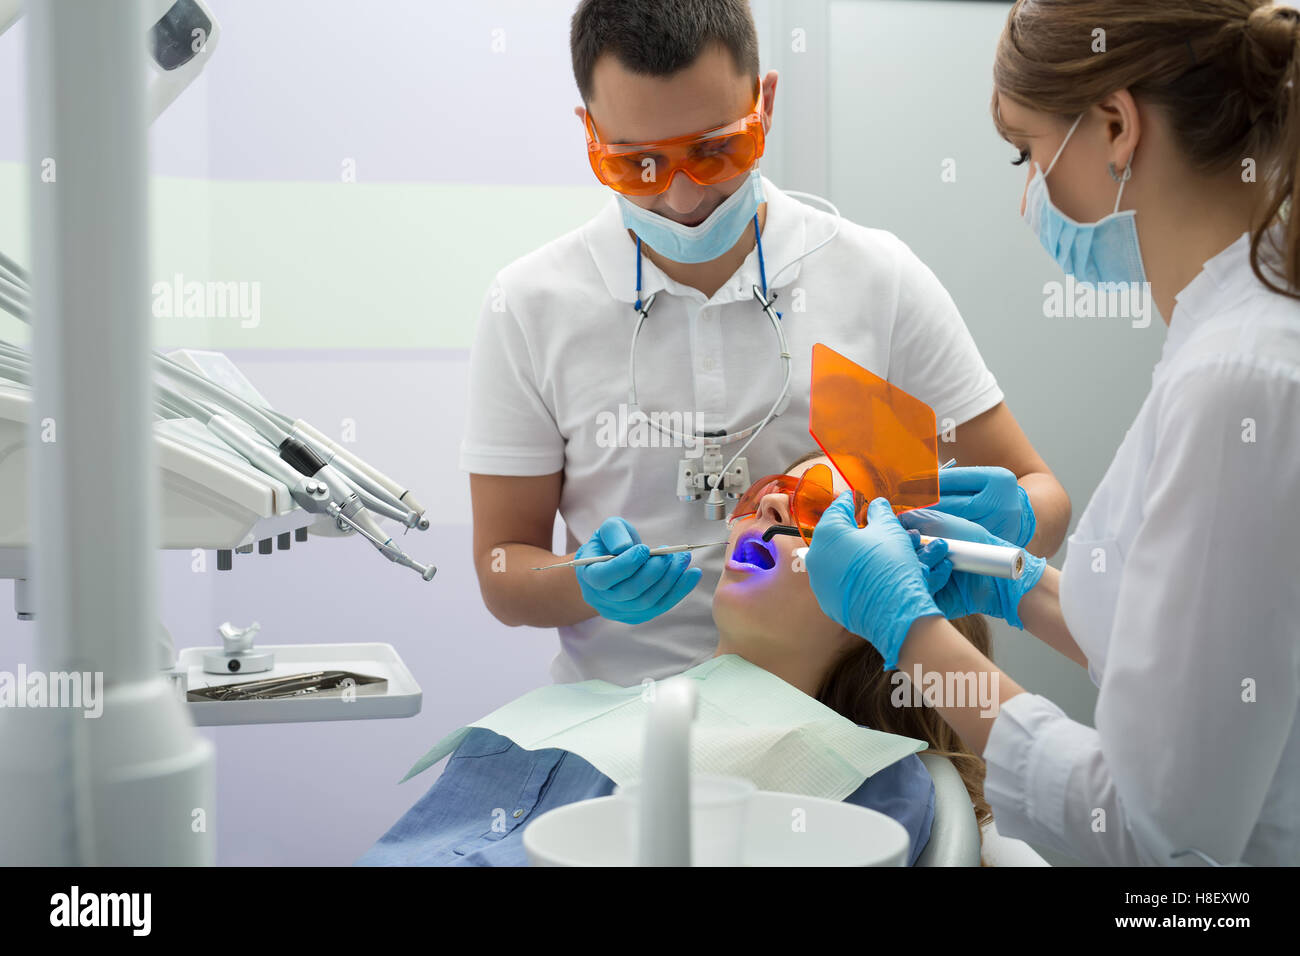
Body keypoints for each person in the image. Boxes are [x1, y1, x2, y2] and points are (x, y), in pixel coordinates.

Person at [803, 0, 1300, 866]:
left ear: (1115, 125)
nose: (1027, 191)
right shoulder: (1228, 343)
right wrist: (1018, 585)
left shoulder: (1239, 381)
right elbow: (1196, 665)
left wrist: (914, 636)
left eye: (1025, 150)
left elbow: (1152, 837)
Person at [464, 0, 1070, 688]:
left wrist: (1007, 529)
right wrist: (585, 583)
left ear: (765, 102)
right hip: (619, 718)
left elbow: (1040, 492)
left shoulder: (876, 279)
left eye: (715, 149)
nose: (684, 196)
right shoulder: (530, 305)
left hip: (844, 716)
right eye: (640, 165)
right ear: (590, 133)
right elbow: (503, 568)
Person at [358, 454, 995, 866]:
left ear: (886, 604)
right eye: (776, 490)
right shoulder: (600, 708)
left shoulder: (871, 782)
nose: (769, 508)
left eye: (821, 511)